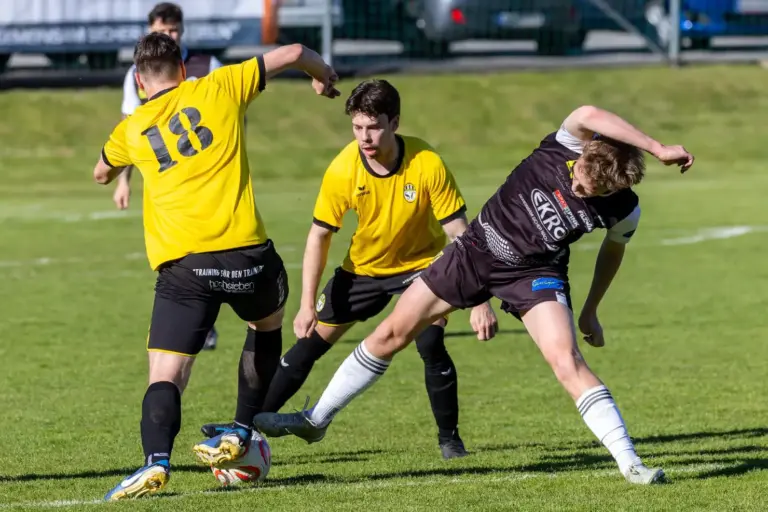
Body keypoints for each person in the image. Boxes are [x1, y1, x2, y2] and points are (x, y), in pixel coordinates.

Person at [252, 105, 695, 485]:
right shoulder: (566, 143)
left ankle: (631, 463)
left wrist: (592, 310)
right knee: (391, 334)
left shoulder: (623, 207)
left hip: (534, 274)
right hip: (475, 252)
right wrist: (659, 148)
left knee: (567, 360)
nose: (580, 192)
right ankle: (317, 420)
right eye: (579, 181)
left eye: (590, 193)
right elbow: (589, 113)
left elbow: (611, 254)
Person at [94, 33, 339, 501]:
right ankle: (241, 429)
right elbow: (291, 53)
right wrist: (322, 75)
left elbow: (101, 172)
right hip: (250, 256)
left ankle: (156, 462)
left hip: (186, 267)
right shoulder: (220, 86)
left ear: (141, 83)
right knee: (266, 329)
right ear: (183, 70)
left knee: (165, 374)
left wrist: (121, 160)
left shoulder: (133, 127)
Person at [199, 79, 498, 460]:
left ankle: (450, 441)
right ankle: (245, 427)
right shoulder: (343, 168)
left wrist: (479, 300)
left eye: (373, 126)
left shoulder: (427, 163)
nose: (365, 137)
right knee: (307, 346)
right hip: (363, 271)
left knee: (430, 343)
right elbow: (318, 236)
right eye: (357, 127)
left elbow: (461, 233)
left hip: (423, 269)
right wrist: (307, 303)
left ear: (395, 122)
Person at [115, 2, 224, 350]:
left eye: (174, 30)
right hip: (167, 181)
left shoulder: (206, 67)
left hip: (209, 177)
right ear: (150, 30)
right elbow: (130, 129)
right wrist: (124, 180)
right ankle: (194, 326)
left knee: (216, 248)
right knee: (178, 250)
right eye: (162, 30)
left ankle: (207, 323)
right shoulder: (140, 72)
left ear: (182, 31)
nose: (169, 35)